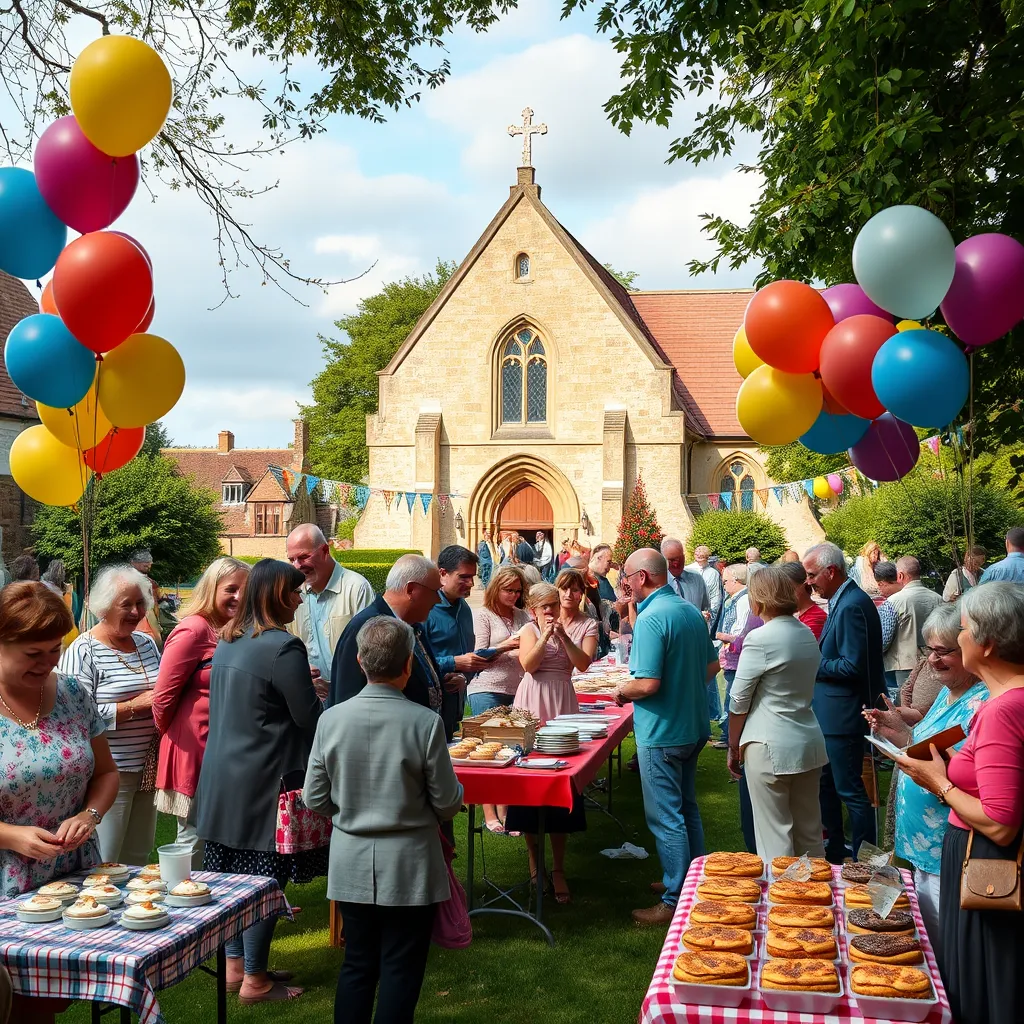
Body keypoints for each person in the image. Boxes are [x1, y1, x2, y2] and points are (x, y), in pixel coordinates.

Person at [303, 616, 463, 1024]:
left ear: (359, 661)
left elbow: (314, 797)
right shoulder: (424, 723)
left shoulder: (331, 719)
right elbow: (446, 801)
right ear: (408, 664)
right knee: (401, 966)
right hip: (411, 861)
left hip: (352, 856)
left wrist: (350, 811)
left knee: (358, 963)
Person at [893, 582, 1024, 1024]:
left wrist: (939, 782)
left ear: (986, 643)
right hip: (980, 861)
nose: (957, 641)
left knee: (982, 985)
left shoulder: (1002, 707)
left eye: (963, 631)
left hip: (986, 866)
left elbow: (1002, 822)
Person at [195, 559, 324, 1005]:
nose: (300, 599)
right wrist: (322, 702)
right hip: (264, 779)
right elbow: (307, 717)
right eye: (295, 592)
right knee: (266, 880)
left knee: (230, 876)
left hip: (221, 777)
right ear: (276, 596)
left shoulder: (229, 639)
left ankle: (236, 968)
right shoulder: (283, 646)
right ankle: (256, 981)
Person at [0, 583, 119, 1024]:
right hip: (7, 882)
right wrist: (11, 835)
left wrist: (89, 815)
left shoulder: (71, 693)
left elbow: (106, 773)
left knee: (44, 1006)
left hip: (72, 874)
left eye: (55, 649)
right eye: (34, 654)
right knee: (14, 1004)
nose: (48, 662)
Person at [865, 603, 986, 949]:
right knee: (929, 935)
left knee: (943, 943)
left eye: (943, 651)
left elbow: (967, 773)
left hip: (945, 845)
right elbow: (922, 746)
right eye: (929, 650)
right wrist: (896, 732)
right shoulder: (950, 694)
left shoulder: (981, 703)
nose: (932, 660)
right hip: (923, 845)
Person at [614, 549, 719, 926]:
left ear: (642, 577)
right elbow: (712, 665)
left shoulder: (651, 617)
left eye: (627, 576)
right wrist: (683, 689)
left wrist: (623, 691)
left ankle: (677, 898)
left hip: (663, 732)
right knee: (686, 808)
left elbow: (648, 684)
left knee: (666, 816)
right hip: (691, 726)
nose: (624, 583)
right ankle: (692, 882)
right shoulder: (688, 610)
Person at [60, 564, 162, 867]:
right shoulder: (83, 651)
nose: (135, 611)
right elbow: (74, 719)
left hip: (149, 769)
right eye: (126, 604)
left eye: (140, 603)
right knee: (106, 860)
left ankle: (136, 913)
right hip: (110, 774)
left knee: (139, 857)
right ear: (105, 606)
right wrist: (135, 707)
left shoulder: (146, 644)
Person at [152, 556, 250, 869]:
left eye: (245, 590)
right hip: (194, 749)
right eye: (231, 589)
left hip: (223, 748)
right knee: (194, 837)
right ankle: (181, 906)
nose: (239, 597)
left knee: (221, 837)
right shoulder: (193, 630)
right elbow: (163, 698)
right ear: (211, 589)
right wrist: (180, 738)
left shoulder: (236, 629)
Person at [505, 574, 598, 903]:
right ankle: (535, 862)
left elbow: (583, 664)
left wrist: (563, 636)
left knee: (561, 781)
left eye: (554, 606)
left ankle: (558, 867)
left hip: (562, 701)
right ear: (532, 610)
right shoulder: (529, 630)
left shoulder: (576, 628)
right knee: (529, 786)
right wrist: (545, 636)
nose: (551, 611)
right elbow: (528, 665)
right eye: (545, 607)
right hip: (532, 701)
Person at [728, 567, 828, 863]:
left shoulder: (760, 638)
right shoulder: (806, 633)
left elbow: (738, 701)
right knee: (810, 835)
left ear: (757, 601)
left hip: (769, 745)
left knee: (775, 841)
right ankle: (815, 902)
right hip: (807, 740)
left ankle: (783, 906)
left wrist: (734, 746)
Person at [803, 541, 885, 861]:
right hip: (832, 714)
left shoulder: (851, 603)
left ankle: (863, 860)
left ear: (831, 571)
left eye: (812, 576)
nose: (808, 582)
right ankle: (835, 853)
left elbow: (853, 665)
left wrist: (813, 662)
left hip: (844, 715)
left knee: (851, 791)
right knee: (828, 787)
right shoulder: (844, 598)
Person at [329, 555, 451, 733]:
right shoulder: (364, 628)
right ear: (411, 590)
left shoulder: (414, 624)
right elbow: (347, 700)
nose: (438, 600)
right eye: (435, 591)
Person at [468, 566, 530, 834]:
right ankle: (489, 812)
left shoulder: (523, 615)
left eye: (518, 591)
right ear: (496, 589)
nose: (514, 595)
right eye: (509, 590)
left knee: (510, 751)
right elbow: (478, 654)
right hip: (487, 686)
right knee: (488, 750)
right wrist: (507, 645)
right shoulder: (483, 615)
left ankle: (506, 811)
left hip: (516, 688)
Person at [286, 525, 374, 700]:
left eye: (304, 557)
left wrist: (339, 688)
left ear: (325, 550)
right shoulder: (293, 593)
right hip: (308, 696)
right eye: (292, 560)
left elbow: (371, 651)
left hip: (350, 697)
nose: (297, 566)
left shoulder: (356, 588)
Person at [426, 545, 488, 739]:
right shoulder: (426, 610)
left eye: (473, 577)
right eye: (463, 577)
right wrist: (453, 663)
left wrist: (465, 677)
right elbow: (413, 660)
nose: (470, 583)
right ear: (443, 574)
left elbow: (467, 656)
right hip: (428, 708)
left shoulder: (465, 609)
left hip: (456, 707)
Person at [885, 556, 943, 689]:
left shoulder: (892, 602)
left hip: (903, 664)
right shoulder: (938, 599)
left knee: (905, 702)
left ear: (900, 575)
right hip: (934, 660)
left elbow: (883, 639)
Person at [873, 560, 902, 698]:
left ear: (883, 582)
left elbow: (883, 641)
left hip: (896, 666)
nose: (879, 590)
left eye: (880, 585)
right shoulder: (934, 597)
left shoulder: (890, 604)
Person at [661, 538, 711, 619]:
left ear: (684, 557)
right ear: (663, 560)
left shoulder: (696, 579)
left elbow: (705, 608)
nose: (676, 564)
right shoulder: (658, 583)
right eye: (672, 560)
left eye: (679, 559)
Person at [779, 561, 826, 640]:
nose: (784, 593)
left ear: (804, 584)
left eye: (788, 588)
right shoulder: (793, 614)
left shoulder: (816, 617)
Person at [130, 549, 164, 650]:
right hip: (146, 620)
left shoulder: (150, 583)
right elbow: (155, 605)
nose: (149, 564)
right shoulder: (150, 583)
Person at [685, 545, 724, 626]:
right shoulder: (687, 570)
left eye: (702, 555)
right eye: (697, 553)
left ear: (707, 557)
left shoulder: (713, 573)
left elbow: (715, 596)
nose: (699, 555)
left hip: (706, 615)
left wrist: (711, 614)